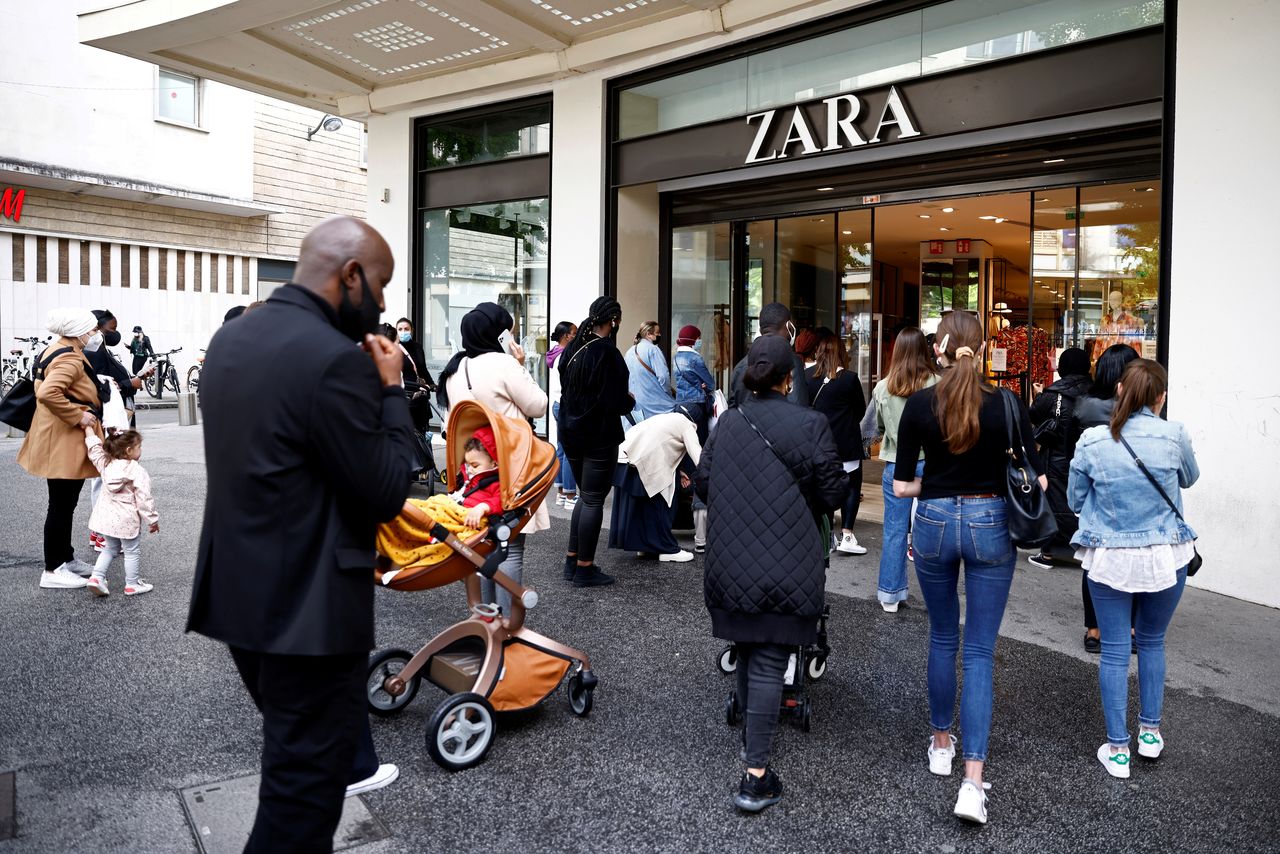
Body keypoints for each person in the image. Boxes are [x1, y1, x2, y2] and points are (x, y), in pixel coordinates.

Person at [187, 216, 418, 852]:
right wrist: (392, 391)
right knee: (302, 800)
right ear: (349, 277)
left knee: (293, 769)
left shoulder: (235, 338)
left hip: (238, 591)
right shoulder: (331, 361)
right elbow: (388, 487)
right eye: (380, 286)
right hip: (308, 610)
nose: (383, 304)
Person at [892, 311, 1046, 826]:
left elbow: (900, 486)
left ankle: (941, 744)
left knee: (942, 637)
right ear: (980, 351)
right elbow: (1036, 482)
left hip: (934, 520)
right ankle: (972, 783)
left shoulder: (917, 404)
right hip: (989, 521)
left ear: (940, 349)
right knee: (979, 650)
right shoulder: (1007, 404)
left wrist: (933, 486)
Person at [696, 335, 847, 813]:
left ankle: (751, 739)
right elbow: (832, 493)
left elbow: (703, 483)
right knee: (766, 662)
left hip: (729, 561)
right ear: (789, 378)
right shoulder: (810, 424)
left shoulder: (728, 424)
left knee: (746, 650)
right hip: (787, 563)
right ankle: (755, 774)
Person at [1068, 359, 1198, 780]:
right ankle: (1150, 734)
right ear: (1160, 397)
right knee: (1153, 641)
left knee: (1115, 651)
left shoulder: (1092, 440)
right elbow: (1190, 478)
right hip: (1167, 554)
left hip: (1110, 556)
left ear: (1120, 391)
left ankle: (1118, 751)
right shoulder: (1174, 434)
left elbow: (1074, 499)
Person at [438, 302, 548, 612]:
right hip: (509, 466)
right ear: (498, 335)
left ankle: (487, 617)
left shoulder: (454, 370)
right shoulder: (504, 365)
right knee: (510, 547)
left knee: (481, 544)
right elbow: (537, 405)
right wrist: (520, 363)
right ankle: (508, 630)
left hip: (473, 470)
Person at [18, 309, 105, 589]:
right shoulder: (69, 356)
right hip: (64, 437)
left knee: (64, 503)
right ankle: (53, 569)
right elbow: (47, 393)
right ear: (80, 332)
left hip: (56, 435)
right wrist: (77, 415)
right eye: (92, 330)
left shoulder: (55, 348)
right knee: (61, 504)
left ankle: (65, 559)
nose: (95, 335)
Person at [558, 296, 634, 588]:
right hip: (598, 433)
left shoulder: (573, 349)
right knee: (593, 498)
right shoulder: (607, 353)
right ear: (613, 320)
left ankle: (572, 559)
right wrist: (628, 401)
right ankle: (585, 568)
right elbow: (615, 399)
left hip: (571, 430)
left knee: (584, 494)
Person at [1069, 343, 1141, 653]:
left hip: (1096, 497)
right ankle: (1132, 627)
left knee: (1093, 563)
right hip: (1132, 496)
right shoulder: (1138, 412)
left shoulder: (1083, 406)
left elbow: (1072, 453)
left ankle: (1094, 629)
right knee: (1135, 559)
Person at [872, 326, 938, 612]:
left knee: (894, 530)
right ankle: (936, 597)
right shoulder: (936, 382)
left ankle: (890, 594)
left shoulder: (883, 386)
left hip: (896, 463)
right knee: (933, 532)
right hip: (931, 463)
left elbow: (880, 427)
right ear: (924, 349)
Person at [1027, 347, 1092, 571]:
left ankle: (1049, 553)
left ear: (1062, 368)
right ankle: (1086, 549)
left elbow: (1033, 415)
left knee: (1054, 503)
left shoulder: (1052, 394)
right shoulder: (1098, 391)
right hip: (1089, 458)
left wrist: (1037, 395)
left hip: (1056, 459)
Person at [805, 330, 868, 556]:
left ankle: (828, 534)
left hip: (818, 443)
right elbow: (860, 410)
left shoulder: (807, 376)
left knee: (823, 485)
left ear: (818, 352)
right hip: (846, 443)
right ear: (841, 352)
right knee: (851, 487)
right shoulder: (850, 379)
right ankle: (847, 534)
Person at [609, 410, 700, 563]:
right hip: (642, 460)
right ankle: (667, 549)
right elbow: (698, 456)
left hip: (623, 456)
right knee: (660, 505)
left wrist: (680, 472)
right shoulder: (688, 426)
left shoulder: (666, 417)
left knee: (640, 507)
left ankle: (644, 546)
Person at [82, 427, 159, 597]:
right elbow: (144, 498)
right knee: (131, 551)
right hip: (126, 520)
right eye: (139, 447)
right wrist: (152, 520)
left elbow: (95, 452)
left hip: (106, 519)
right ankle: (131, 584)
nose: (141, 450)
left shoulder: (106, 464)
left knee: (109, 548)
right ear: (129, 451)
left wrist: (89, 432)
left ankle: (96, 577)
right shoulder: (136, 470)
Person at [729, 303, 809, 407]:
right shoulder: (791, 361)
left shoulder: (740, 366)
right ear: (789, 326)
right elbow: (799, 405)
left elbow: (733, 404)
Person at [547, 320, 578, 510]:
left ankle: (560, 493)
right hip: (566, 406)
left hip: (557, 404)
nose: (576, 335)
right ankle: (570, 494)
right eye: (574, 333)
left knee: (561, 449)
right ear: (566, 335)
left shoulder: (554, 352)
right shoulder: (565, 355)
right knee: (569, 451)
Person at [673, 324, 716, 443]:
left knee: (686, 442)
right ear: (693, 339)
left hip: (681, 404)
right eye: (699, 338)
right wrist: (704, 385)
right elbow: (711, 384)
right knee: (700, 440)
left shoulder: (676, 357)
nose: (700, 341)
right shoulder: (695, 358)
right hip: (696, 404)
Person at [625, 321, 673, 420]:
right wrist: (668, 394)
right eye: (657, 332)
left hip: (635, 406)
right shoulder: (653, 350)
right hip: (654, 404)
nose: (659, 335)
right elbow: (663, 377)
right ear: (648, 334)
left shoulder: (629, 351)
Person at [395, 317, 433, 390]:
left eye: (406, 329)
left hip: (419, 389)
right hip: (403, 391)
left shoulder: (418, 347)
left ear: (411, 330)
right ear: (396, 331)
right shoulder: (394, 348)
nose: (403, 332)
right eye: (400, 329)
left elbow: (423, 368)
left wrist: (431, 383)